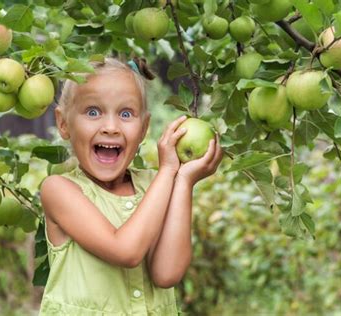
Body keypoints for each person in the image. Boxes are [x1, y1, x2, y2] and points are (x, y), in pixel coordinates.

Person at [38, 57, 223, 315]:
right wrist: (168, 171)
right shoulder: (58, 190)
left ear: (144, 127)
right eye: (93, 112)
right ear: (64, 124)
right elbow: (125, 251)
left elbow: (166, 273)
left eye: (126, 114)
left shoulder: (155, 186)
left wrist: (183, 182)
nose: (111, 127)